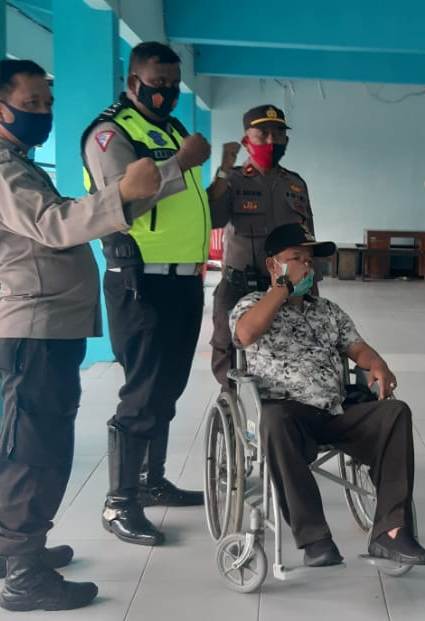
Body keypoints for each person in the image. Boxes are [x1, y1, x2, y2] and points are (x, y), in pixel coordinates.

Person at [0, 59, 161, 611]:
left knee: (30, 442)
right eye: (31, 103)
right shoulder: (4, 171)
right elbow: (55, 224)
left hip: (45, 325)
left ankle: (14, 552)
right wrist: (122, 191)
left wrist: (136, 192)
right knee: (35, 450)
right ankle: (23, 574)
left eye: (47, 102)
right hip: (33, 328)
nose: (43, 113)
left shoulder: (19, 164)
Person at [230, 223, 425, 567]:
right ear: (272, 265)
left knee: (395, 413)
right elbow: (247, 333)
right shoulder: (250, 305)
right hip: (287, 416)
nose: (305, 266)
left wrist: (377, 364)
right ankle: (315, 540)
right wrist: (283, 288)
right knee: (274, 419)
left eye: (308, 260)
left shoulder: (327, 311)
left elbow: (358, 348)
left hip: (334, 411)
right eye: (295, 258)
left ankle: (391, 533)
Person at [81, 41, 212, 546]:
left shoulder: (170, 127)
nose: (168, 93)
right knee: (142, 393)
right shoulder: (112, 133)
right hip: (141, 280)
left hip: (182, 279)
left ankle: (150, 481)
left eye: (174, 85)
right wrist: (181, 162)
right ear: (133, 81)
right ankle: (120, 502)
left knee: (167, 388)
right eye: (158, 85)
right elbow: (120, 204)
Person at [209, 104, 316, 391]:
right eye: (263, 133)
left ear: (286, 140)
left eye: (278, 134)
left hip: (287, 287)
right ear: (247, 139)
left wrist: (312, 287)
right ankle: (233, 401)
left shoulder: (295, 184)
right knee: (228, 352)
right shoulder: (232, 179)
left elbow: (308, 239)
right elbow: (213, 218)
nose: (271, 140)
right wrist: (222, 170)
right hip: (238, 285)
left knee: (289, 348)